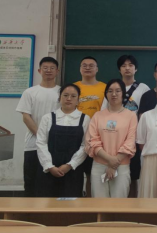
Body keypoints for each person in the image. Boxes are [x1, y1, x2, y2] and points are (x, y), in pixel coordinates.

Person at [102, 55, 150, 198]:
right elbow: (104, 113)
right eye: (123, 66)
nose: (127, 68)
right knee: (110, 173)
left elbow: (146, 114)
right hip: (112, 136)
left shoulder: (143, 88)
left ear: (136, 69)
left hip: (133, 137)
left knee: (134, 175)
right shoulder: (112, 87)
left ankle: (132, 205)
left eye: (130, 65)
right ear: (119, 69)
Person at [16, 57, 61, 197]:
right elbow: (26, 117)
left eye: (52, 68)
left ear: (57, 71)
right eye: (45, 68)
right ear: (39, 71)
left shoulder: (63, 92)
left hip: (56, 144)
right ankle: (30, 210)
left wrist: (50, 138)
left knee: (52, 184)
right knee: (31, 182)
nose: (48, 70)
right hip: (33, 145)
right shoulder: (30, 92)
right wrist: (41, 136)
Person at [35, 84, 89, 198]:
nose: (69, 99)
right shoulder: (47, 118)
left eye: (73, 96)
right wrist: (49, 166)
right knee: (47, 202)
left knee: (71, 203)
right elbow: (41, 143)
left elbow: (85, 145)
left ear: (78, 100)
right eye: (65, 95)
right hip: (49, 169)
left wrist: (70, 165)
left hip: (73, 170)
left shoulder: (85, 119)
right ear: (59, 98)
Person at [86, 79, 137, 198]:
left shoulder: (131, 116)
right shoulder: (98, 115)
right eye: (110, 91)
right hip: (99, 166)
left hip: (121, 166)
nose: (114, 94)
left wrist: (114, 164)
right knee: (99, 204)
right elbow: (92, 140)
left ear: (123, 93)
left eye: (118, 91)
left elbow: (130, 141)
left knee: (119, 204)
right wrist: (110, 160)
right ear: (106, 94)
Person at [75, 56, 106, 196]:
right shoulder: (73, 88)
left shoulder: (105, 88)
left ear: (97, 69)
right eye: (84, 65)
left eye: (91, 65)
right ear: (80, 68)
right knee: (75, 171)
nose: (87, 68)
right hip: (76, 135)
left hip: (97, 137)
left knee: (91, 174)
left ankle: (90, 202)